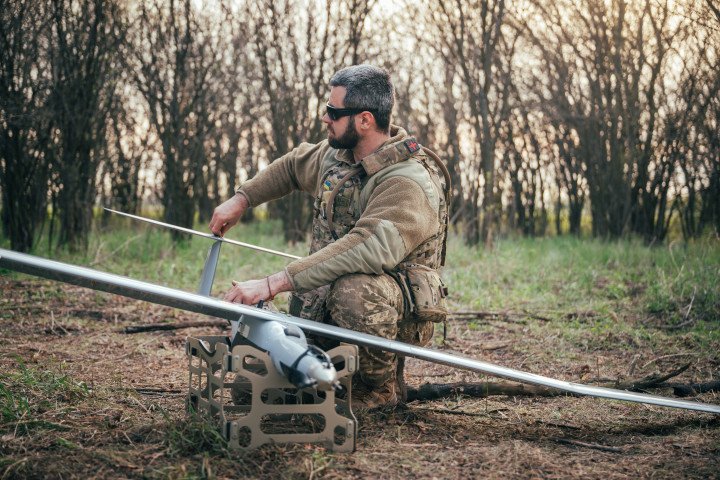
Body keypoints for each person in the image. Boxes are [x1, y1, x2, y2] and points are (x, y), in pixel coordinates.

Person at [209, 64, 450, 409]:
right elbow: (292, 165)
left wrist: (273, 283)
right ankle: (330, 368)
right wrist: (241, 199)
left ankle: (377, 386)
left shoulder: (407, 182)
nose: (325, 118)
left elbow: (367, 247)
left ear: (364, 120)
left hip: (385, 312)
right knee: (249, 393)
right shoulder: (337, 156)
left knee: (354, 288)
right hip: (323, 307)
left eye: (334, 112)